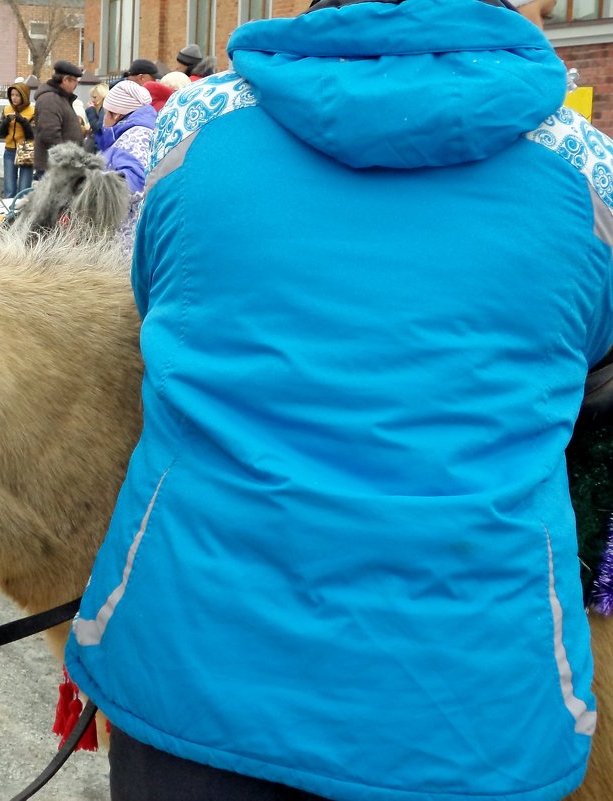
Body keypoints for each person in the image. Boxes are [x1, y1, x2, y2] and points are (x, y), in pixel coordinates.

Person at [63, 1, 613, 800]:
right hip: (470, 700)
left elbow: (157, 300)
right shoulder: (586, 167)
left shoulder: (199, 126)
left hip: (198, 662)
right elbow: (593, 362)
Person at [96, 81, 156, 193]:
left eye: (106, 113)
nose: (103, 118)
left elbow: (133, 186)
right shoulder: (133, 132)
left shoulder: (136, 138)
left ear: (116, 114)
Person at [32, 60, 85, 179]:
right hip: (54, 169)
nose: (76, 85)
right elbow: (49, 134)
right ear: (66, 80)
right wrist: (67, 159)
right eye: (75, 81)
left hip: (61, 168)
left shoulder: (60, 98)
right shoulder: (50, 99)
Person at [0, 81, 35, 199]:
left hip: (25, 149)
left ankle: (22, 212)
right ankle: (9, 213)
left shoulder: (32, 111)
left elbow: (32, 134)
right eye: (12, 95)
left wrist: (22, 121)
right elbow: (0, 133)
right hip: (9, 150)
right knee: (9, 188)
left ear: (24, 96)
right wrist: (5, 122)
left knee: (24, 189)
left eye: (17, 95)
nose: (14, 98)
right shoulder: (6, 109)